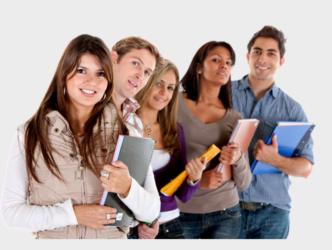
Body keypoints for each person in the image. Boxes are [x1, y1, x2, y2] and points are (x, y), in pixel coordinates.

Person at [0, 34, 160, 239]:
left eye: (101, 73)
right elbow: (11, 213)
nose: (91, 81)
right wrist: (73, 215)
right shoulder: (30, 133)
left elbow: (152, 211)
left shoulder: (127, 133)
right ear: (64, 74)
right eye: (81, 70)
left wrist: (128, 188)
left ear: (108, 80)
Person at [231, 25, 314, 239]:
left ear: (281, 61)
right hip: (227, 207)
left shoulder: (293, 110)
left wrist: (275, 159)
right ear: (248, 56)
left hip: (273, 215)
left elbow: (305, 168)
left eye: (271, 53)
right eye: (257, 51)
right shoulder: (224, 94)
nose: (262, 59)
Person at [177, 41, 252, 239]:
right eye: (216, 60)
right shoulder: (174, 104)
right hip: (182, 212)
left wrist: (237, 159)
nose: (224, 66)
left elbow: (245, 182)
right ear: (199, 67)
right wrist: (197, 182)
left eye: (229, 62)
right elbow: (160, 160)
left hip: (226, 213)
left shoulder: (234, 118)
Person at [128, 58, 206, 239]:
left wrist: (193, 179)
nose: (164, 93)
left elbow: (183, 195)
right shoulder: (123, 124)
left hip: (169, 225)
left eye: (171, 88)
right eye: (158, 84)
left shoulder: (175, 131)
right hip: (133, 228)